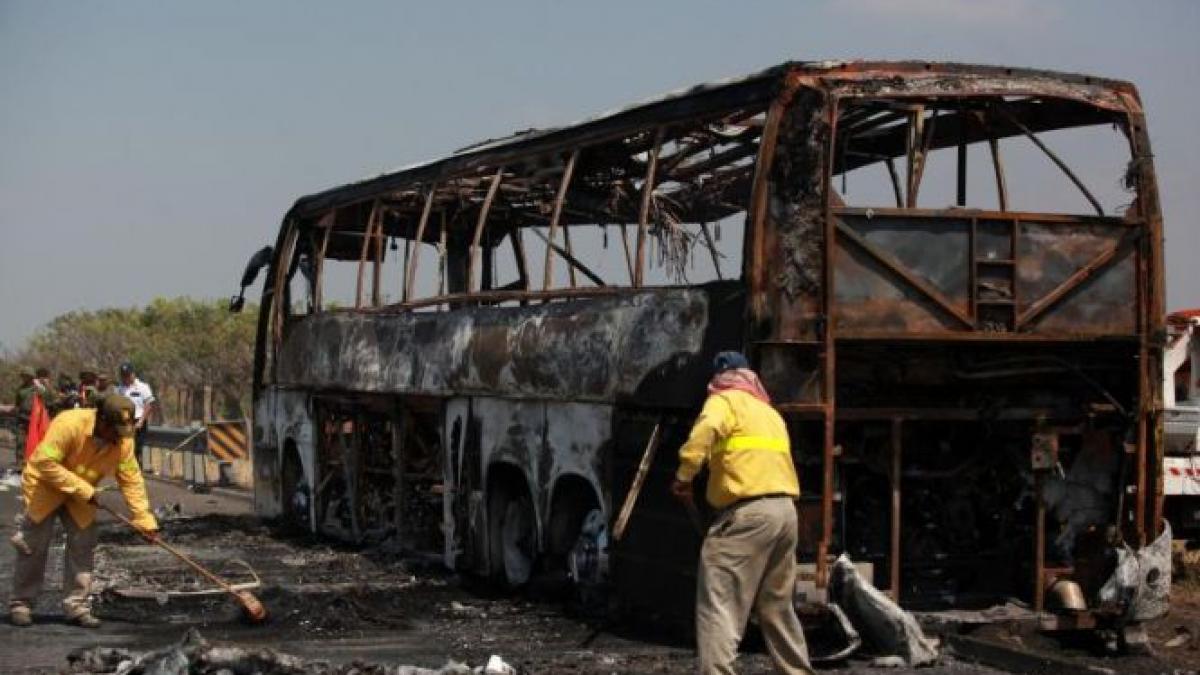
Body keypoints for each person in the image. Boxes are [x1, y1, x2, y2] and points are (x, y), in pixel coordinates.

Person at [670, 351, 814, 675]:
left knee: (719, 602)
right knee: (777, 607)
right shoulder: (768, 412)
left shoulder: (724, 401)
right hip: (784, 512)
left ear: (720, 377)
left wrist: (684, 476)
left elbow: (702, 435)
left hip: (746, 514)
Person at [9, 394, 158, 627]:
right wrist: (82, 489)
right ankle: (22, 603)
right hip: (46, 485)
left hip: (82, 494)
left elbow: (131, 480)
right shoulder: (69, 424)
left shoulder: (123, 441)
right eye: (115, 430)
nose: (120, 437)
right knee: (33, 544)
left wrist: (143, 518)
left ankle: (76, 606)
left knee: (83, 543)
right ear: (102, 422)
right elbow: (44, 463)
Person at [115, 362, 157, 467]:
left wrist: (141, 421)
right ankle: (127, 473)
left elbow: (149, 405)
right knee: (125, 449)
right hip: (124, 422)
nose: (125, 378)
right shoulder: (119, 389)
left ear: (133, 374)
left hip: (138, 422)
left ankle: (136, 470)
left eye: (127, 375)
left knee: (136, 448)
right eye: (123, 375)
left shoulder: (143, 387)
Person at [12, 367, 38, 465]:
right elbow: (17, 403)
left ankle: (33, 462)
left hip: (34, 419)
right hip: (22, 418)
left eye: (26, 376)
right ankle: (19, 463)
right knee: (20, 441)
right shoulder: (21, 389)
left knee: (34, 441)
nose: (24, 378)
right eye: (23, 376)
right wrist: (17, 411)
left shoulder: (37, 388)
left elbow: (47, 397)